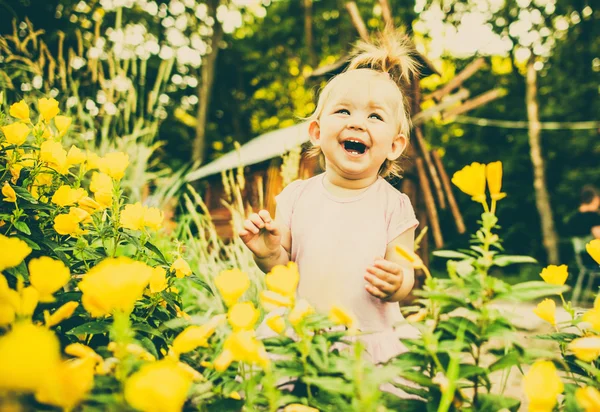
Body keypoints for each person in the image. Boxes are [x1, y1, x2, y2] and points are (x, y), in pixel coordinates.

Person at [240, 31, 420, 365]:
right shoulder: (296, 195)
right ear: (316, 131)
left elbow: (404, 275)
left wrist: (397, 281)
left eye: (375, 116)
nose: (357, 123)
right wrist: (267, 253)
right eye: (343, 112)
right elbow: (281, 267)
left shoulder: (395, 206)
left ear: (395, 145)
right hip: (302, 335)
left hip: (368, 342)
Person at [569, 185, 600, 266]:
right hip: (594, 257)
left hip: (582, 258)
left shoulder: (573, 218)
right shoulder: (593, 216)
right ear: (594, 199)